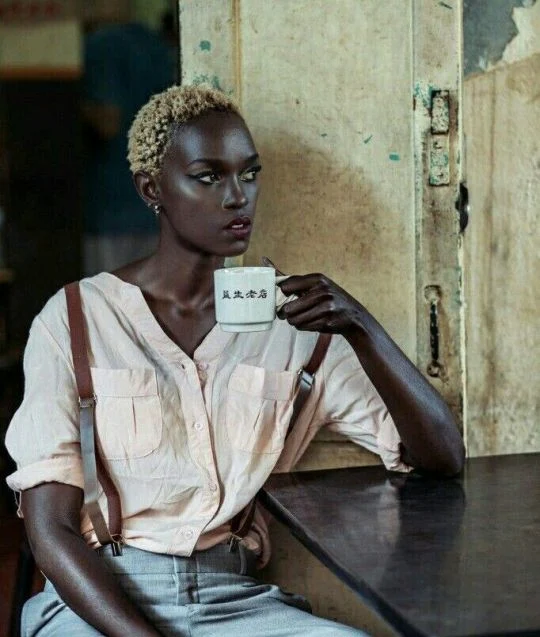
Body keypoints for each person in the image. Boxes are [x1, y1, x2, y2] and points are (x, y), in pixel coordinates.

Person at [5, 84, 465, 636]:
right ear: (152, 189)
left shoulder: (297, 326)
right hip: (100, 604)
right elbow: (50, 530)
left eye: (249, 174)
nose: (236, 196)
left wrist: (362, 328)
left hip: (236, 603)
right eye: (208, 177)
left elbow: (441, 457)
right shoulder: (77, 319)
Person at [81, 11, 175, 276]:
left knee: (108, 299)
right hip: (158, 209)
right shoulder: (157, 46)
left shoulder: (101, 45)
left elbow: (107, 121)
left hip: (112, 210)